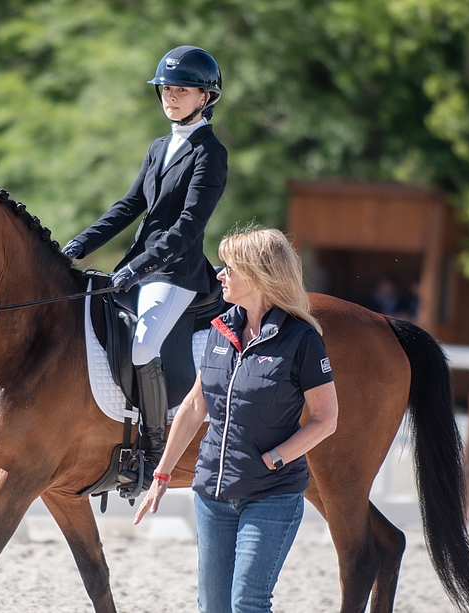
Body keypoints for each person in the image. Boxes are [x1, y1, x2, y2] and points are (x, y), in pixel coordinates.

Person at [134, 227, 339, 613]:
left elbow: (326, 419)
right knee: (212, 605)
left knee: (248, 602)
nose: (220, 274)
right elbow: (196, 406)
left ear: (259, 274)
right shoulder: (218, 330)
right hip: (212, 495)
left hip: (272, 495)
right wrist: (161, 475)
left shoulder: (302, 340)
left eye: (230, 267)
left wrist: (276, 457)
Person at [62, 46, 227, 494]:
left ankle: (152, 450)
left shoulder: (210, 153)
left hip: (175, 273)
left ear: (205, 96)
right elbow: (129, 206)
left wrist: (138, 267)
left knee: (142, 347)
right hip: (140, 266)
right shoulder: (159, 147)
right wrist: (78, 244)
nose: (171, 97)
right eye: (166, 90)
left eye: (182, 90)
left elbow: (188, 226)